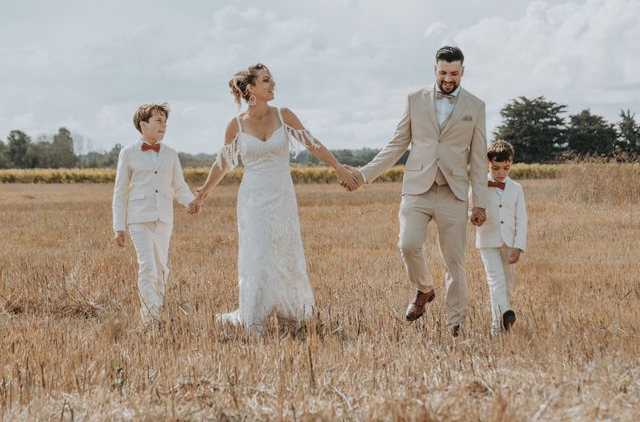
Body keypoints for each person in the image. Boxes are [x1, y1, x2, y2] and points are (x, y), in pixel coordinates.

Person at [194, 63, 357, 331]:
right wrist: (203, 193)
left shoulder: (284, 115)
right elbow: (222, 164)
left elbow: (312, 144)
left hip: (282, 195)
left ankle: (291, 313)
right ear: (250, 89)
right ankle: (254, 314)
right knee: (257, 253)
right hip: (252, 200)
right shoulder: (235, 125)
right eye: (266, 81)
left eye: (272, 80)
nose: (273, 85)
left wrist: (338, 168)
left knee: (285, 252)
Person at [346, 46, 487, 337]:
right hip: (417, 189)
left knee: (454, 261)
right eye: (443, 72)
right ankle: (424, 288)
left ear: (463, 71)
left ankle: (455, 325)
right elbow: (397, 144)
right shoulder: (414, 99)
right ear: (434, 69)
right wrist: (363, 175)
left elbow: (478, 157)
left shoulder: (476, 106)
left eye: (454, 73)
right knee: (407, 245)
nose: (448, 79)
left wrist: (479, 203)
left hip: (454, 192)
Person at [112, 103, 198, 323]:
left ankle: (156, 313)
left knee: (161, 269)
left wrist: (190, 202)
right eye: (158, 121)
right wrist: (118, 226)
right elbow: (120, 192)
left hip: (164, 218)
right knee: (148, 266)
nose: (164, 125)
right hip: (138, 218)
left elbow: (179, 186)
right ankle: (148, 318)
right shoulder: (128, 153)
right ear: (143, 124)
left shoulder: (170, 154)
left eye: (165, 122)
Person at [475, 140, 527, 334]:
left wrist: (518, 246)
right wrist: (475, 218)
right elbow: (470, 210)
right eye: (496, 168)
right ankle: (497, 325)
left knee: (507, 284)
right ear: (488, 164)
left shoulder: (516, 188)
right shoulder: (479, 184)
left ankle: (502, 319)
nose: (501, 173)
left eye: (506, 168)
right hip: (487, 240)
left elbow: (522, 219)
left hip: (509, 242)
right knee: (495, 280)